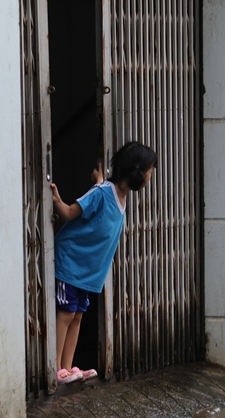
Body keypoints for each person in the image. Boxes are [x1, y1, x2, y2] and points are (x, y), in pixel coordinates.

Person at [51, 141, 157, 384]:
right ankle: (55, 367)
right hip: (72, 262)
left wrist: (98, 181)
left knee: (77, 315)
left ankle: (67, 368)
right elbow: (69, 213)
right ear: (137, 172)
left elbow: (101, 194)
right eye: (150, 170)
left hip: (87, 271)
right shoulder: (103, 193)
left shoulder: (118, 194)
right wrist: (57, 200)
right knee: (67, 312)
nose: (151, 175)